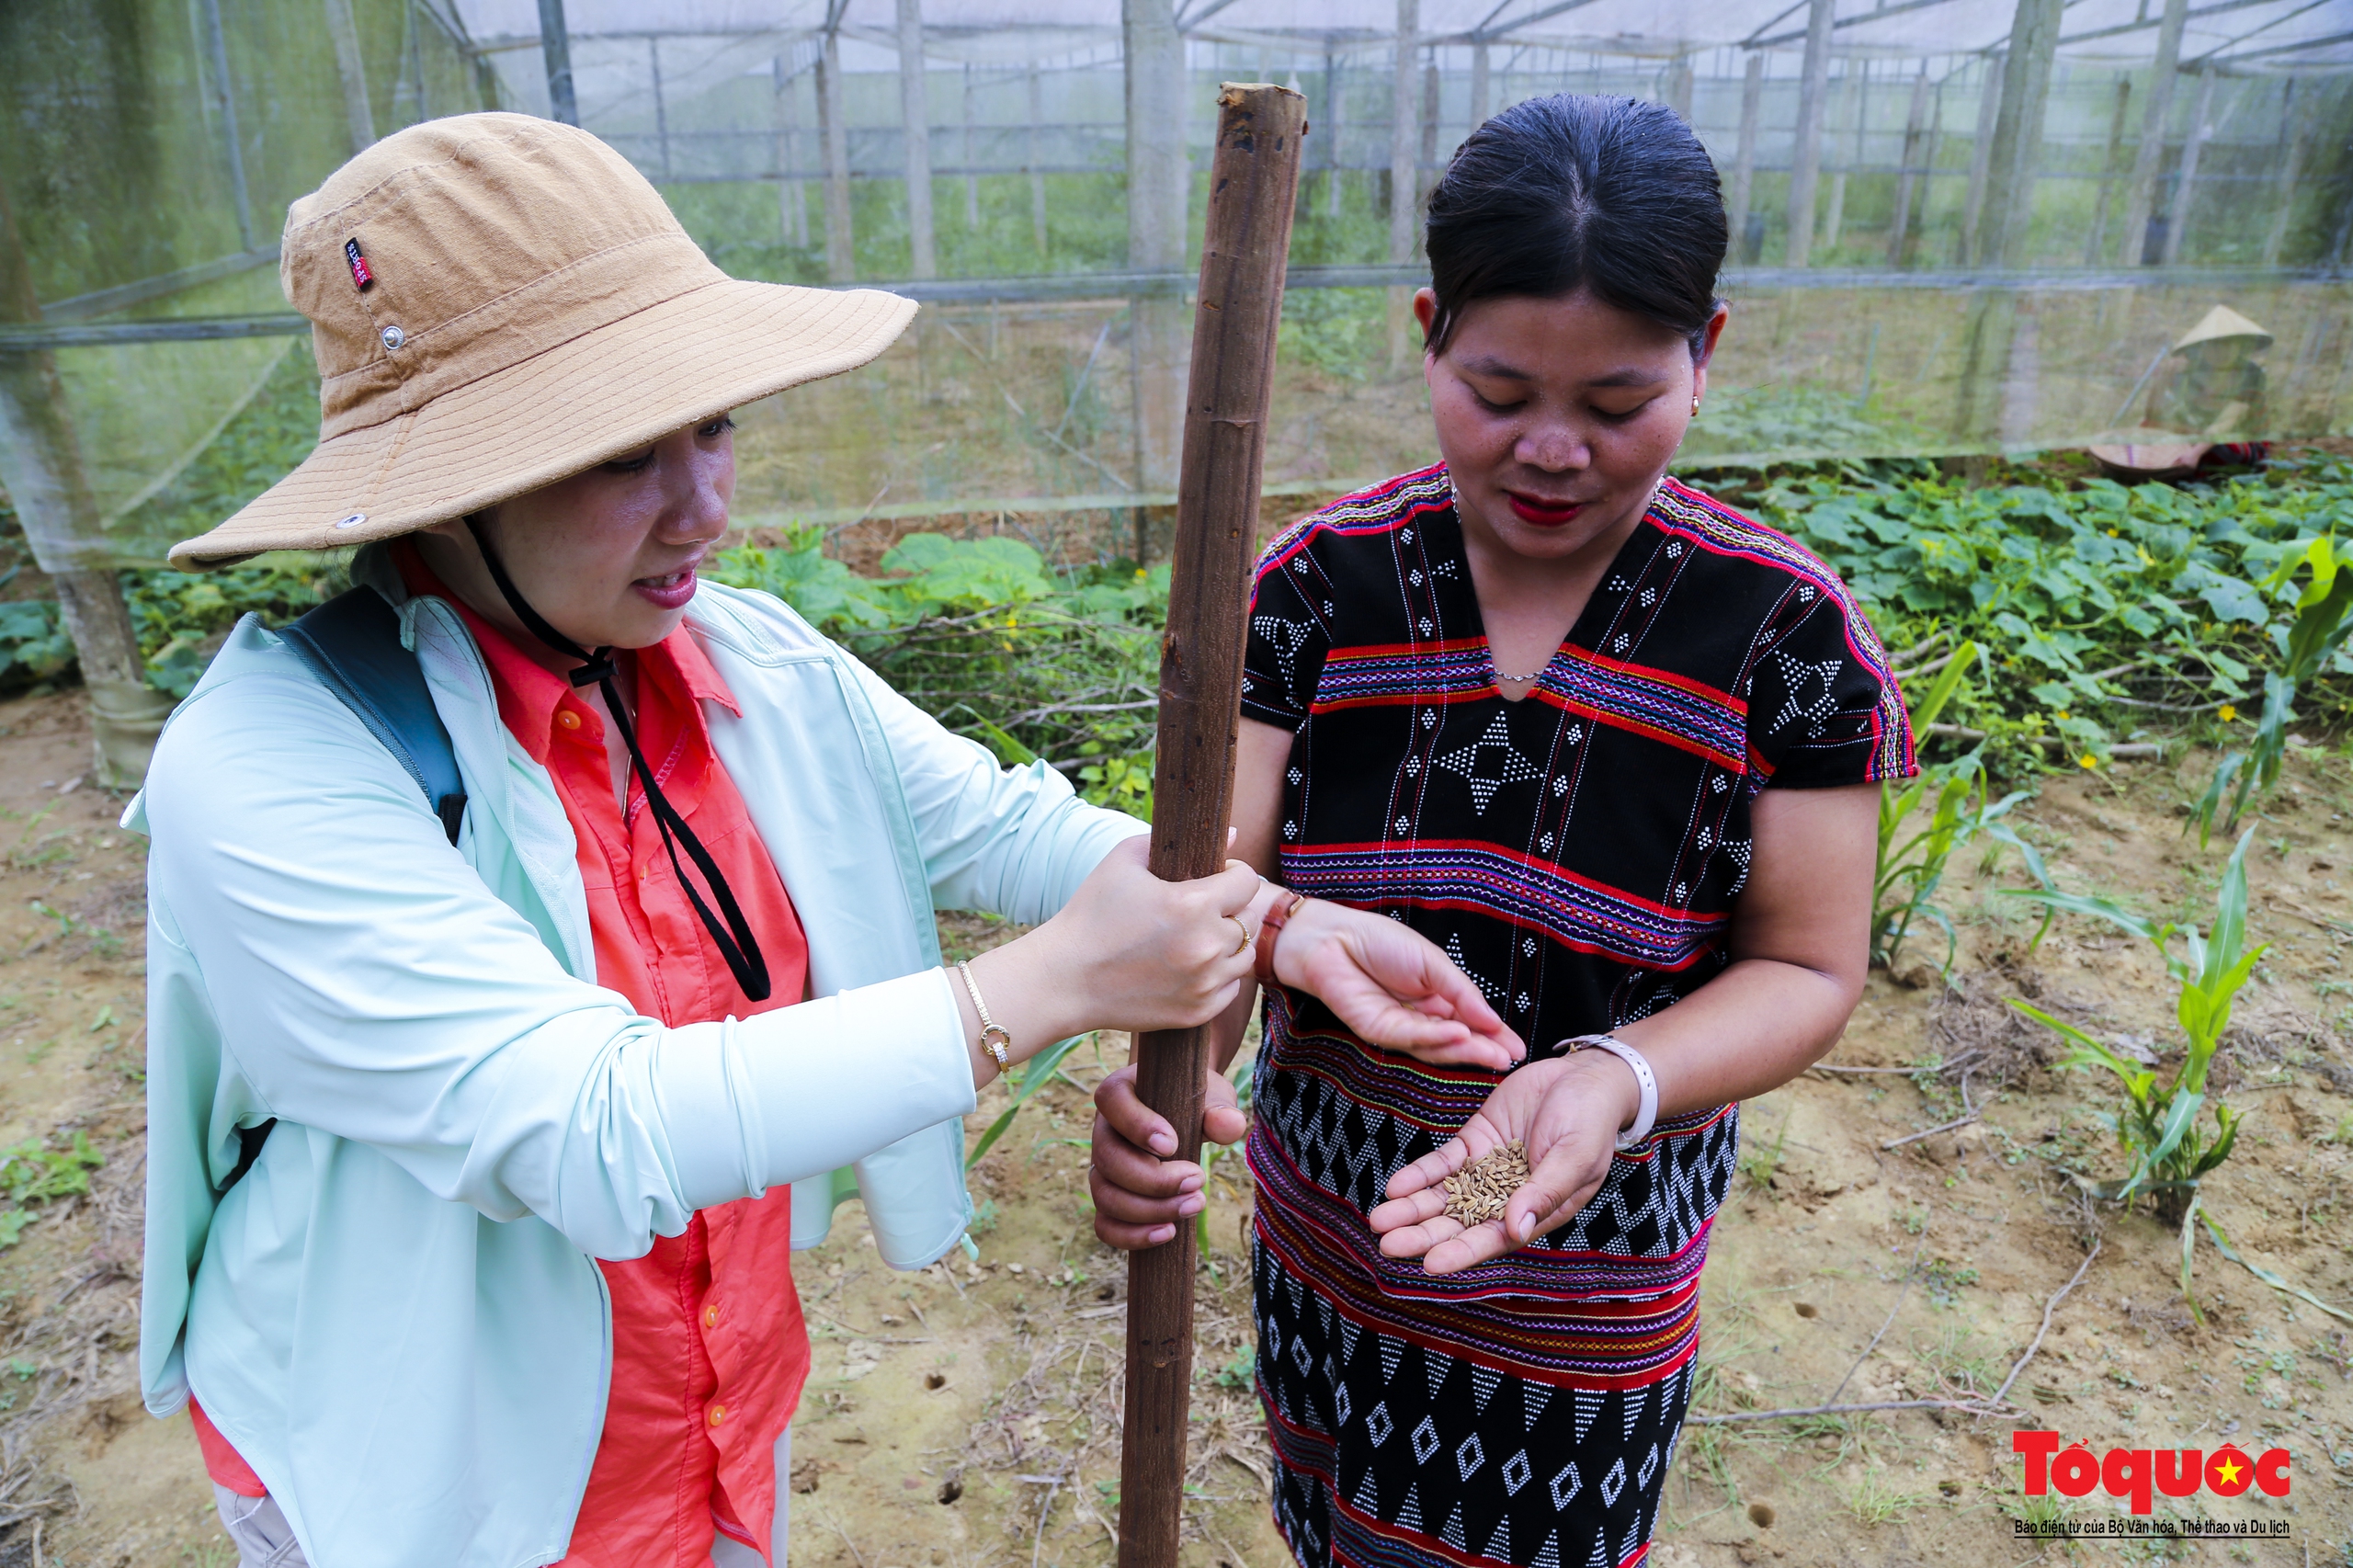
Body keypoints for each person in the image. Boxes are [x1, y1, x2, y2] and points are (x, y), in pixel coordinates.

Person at [131, 114, 1483, 1568]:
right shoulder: (276, 767)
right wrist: (1054, 984)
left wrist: (1281, 925)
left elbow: (1001, 823)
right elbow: (587, 1124)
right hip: (443, 1485)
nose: (704, 505)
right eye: (621, 456)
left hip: (707, 1417)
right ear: (454, 485)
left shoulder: (727, 659)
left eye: (712, 425)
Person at [1090, 95, 1914, 1568]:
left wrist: (1614, 1074)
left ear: (1706, 354)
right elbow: (1220, 884)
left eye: (1616, 405)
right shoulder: (1311, 592)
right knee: (1328, 1522)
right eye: (1498, 388)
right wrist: (1175, 1085)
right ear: (1427, 331)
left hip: (1580, 1275)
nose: (1551, 449)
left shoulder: (1785, 639)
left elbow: (1807, 966)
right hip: (1327, 1231)